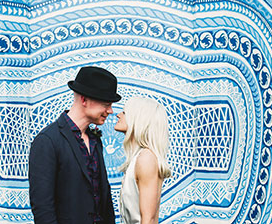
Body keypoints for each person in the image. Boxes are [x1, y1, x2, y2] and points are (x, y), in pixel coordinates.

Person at [28, 66, 121, 224]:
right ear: (84, 100)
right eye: (106, 104)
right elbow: (43, 208)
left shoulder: (95, 140)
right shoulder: (48, 141)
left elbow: (104, 197)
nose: (111, 111)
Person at [114, 97, 172, 224]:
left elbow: (148, 219)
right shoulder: (140, 157)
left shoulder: (146, 158)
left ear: (138, 119)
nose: (118, 115)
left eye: (124, 112)